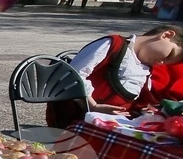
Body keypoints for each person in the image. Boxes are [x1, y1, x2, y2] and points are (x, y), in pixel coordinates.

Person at [45, 25, 183, 128]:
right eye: (169, 55)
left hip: (108, 125)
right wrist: (93, 105)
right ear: (166, 35)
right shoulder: (113, 45)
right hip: (75, 119)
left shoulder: (145, 68)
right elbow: (73, 75)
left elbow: (135, 99)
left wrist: (143, 109)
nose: (162, 63)